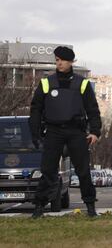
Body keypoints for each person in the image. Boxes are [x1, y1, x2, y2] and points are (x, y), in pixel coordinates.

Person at [29, 46, 101, 218]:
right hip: (53, 131)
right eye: (57, 60)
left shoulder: (82, 84)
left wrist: (95, 132)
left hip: (76, 132)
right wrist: (35, 132)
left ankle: (90, 207)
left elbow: (92, 109)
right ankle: (39, 207)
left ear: (71, 62)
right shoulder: (46, 82)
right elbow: (36, 109)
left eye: (62, 60)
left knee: (83, 170)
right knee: (48, 171)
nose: (59, 63)